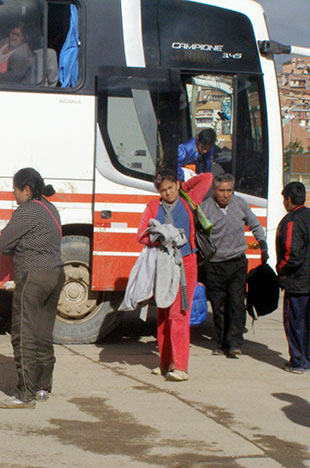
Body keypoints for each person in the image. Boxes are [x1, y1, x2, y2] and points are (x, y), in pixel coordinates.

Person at [137, 169, 213, 381]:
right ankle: (164, 364)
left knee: (179, 313)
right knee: (163, 314)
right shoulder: (153, 206)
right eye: (163, 190)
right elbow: (141, 234)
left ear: (177, 185)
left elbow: (207, 178)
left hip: (186, 264)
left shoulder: (189, 201)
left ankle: (180, 367)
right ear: (158, 191)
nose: (168, 193)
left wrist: (183, 186)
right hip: (163, 263)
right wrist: (160, 238)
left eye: (171, 188)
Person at [0, 168, 65, 408]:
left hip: (33, 276)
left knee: (24, 334)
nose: (13, 195)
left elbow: (4, 243)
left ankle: (24, 393)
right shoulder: (51, 208)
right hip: (56, 274)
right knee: (43, 334)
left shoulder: (27, 212)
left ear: (26, 190)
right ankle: (42, 388)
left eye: (15, 190)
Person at [201, 173, 268, 356]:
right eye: (222, 190)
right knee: (218, 305)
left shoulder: (240, 205)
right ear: (214, 190)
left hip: (237, 262)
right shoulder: (205, 208)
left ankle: (235, 343)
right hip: (214, 265)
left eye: (229, 190)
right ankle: (221, 342)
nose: (226, 195)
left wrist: (263, 245)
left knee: (237, 303)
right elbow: (197, 235)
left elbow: (255, 224)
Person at [276, 182, 310, 374]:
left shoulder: (291, 221)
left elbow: (291, 254)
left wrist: (281, 270)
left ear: (288, 200)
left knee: (295, 323)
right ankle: (307, 358)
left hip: (297, 282)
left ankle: (298, 361)